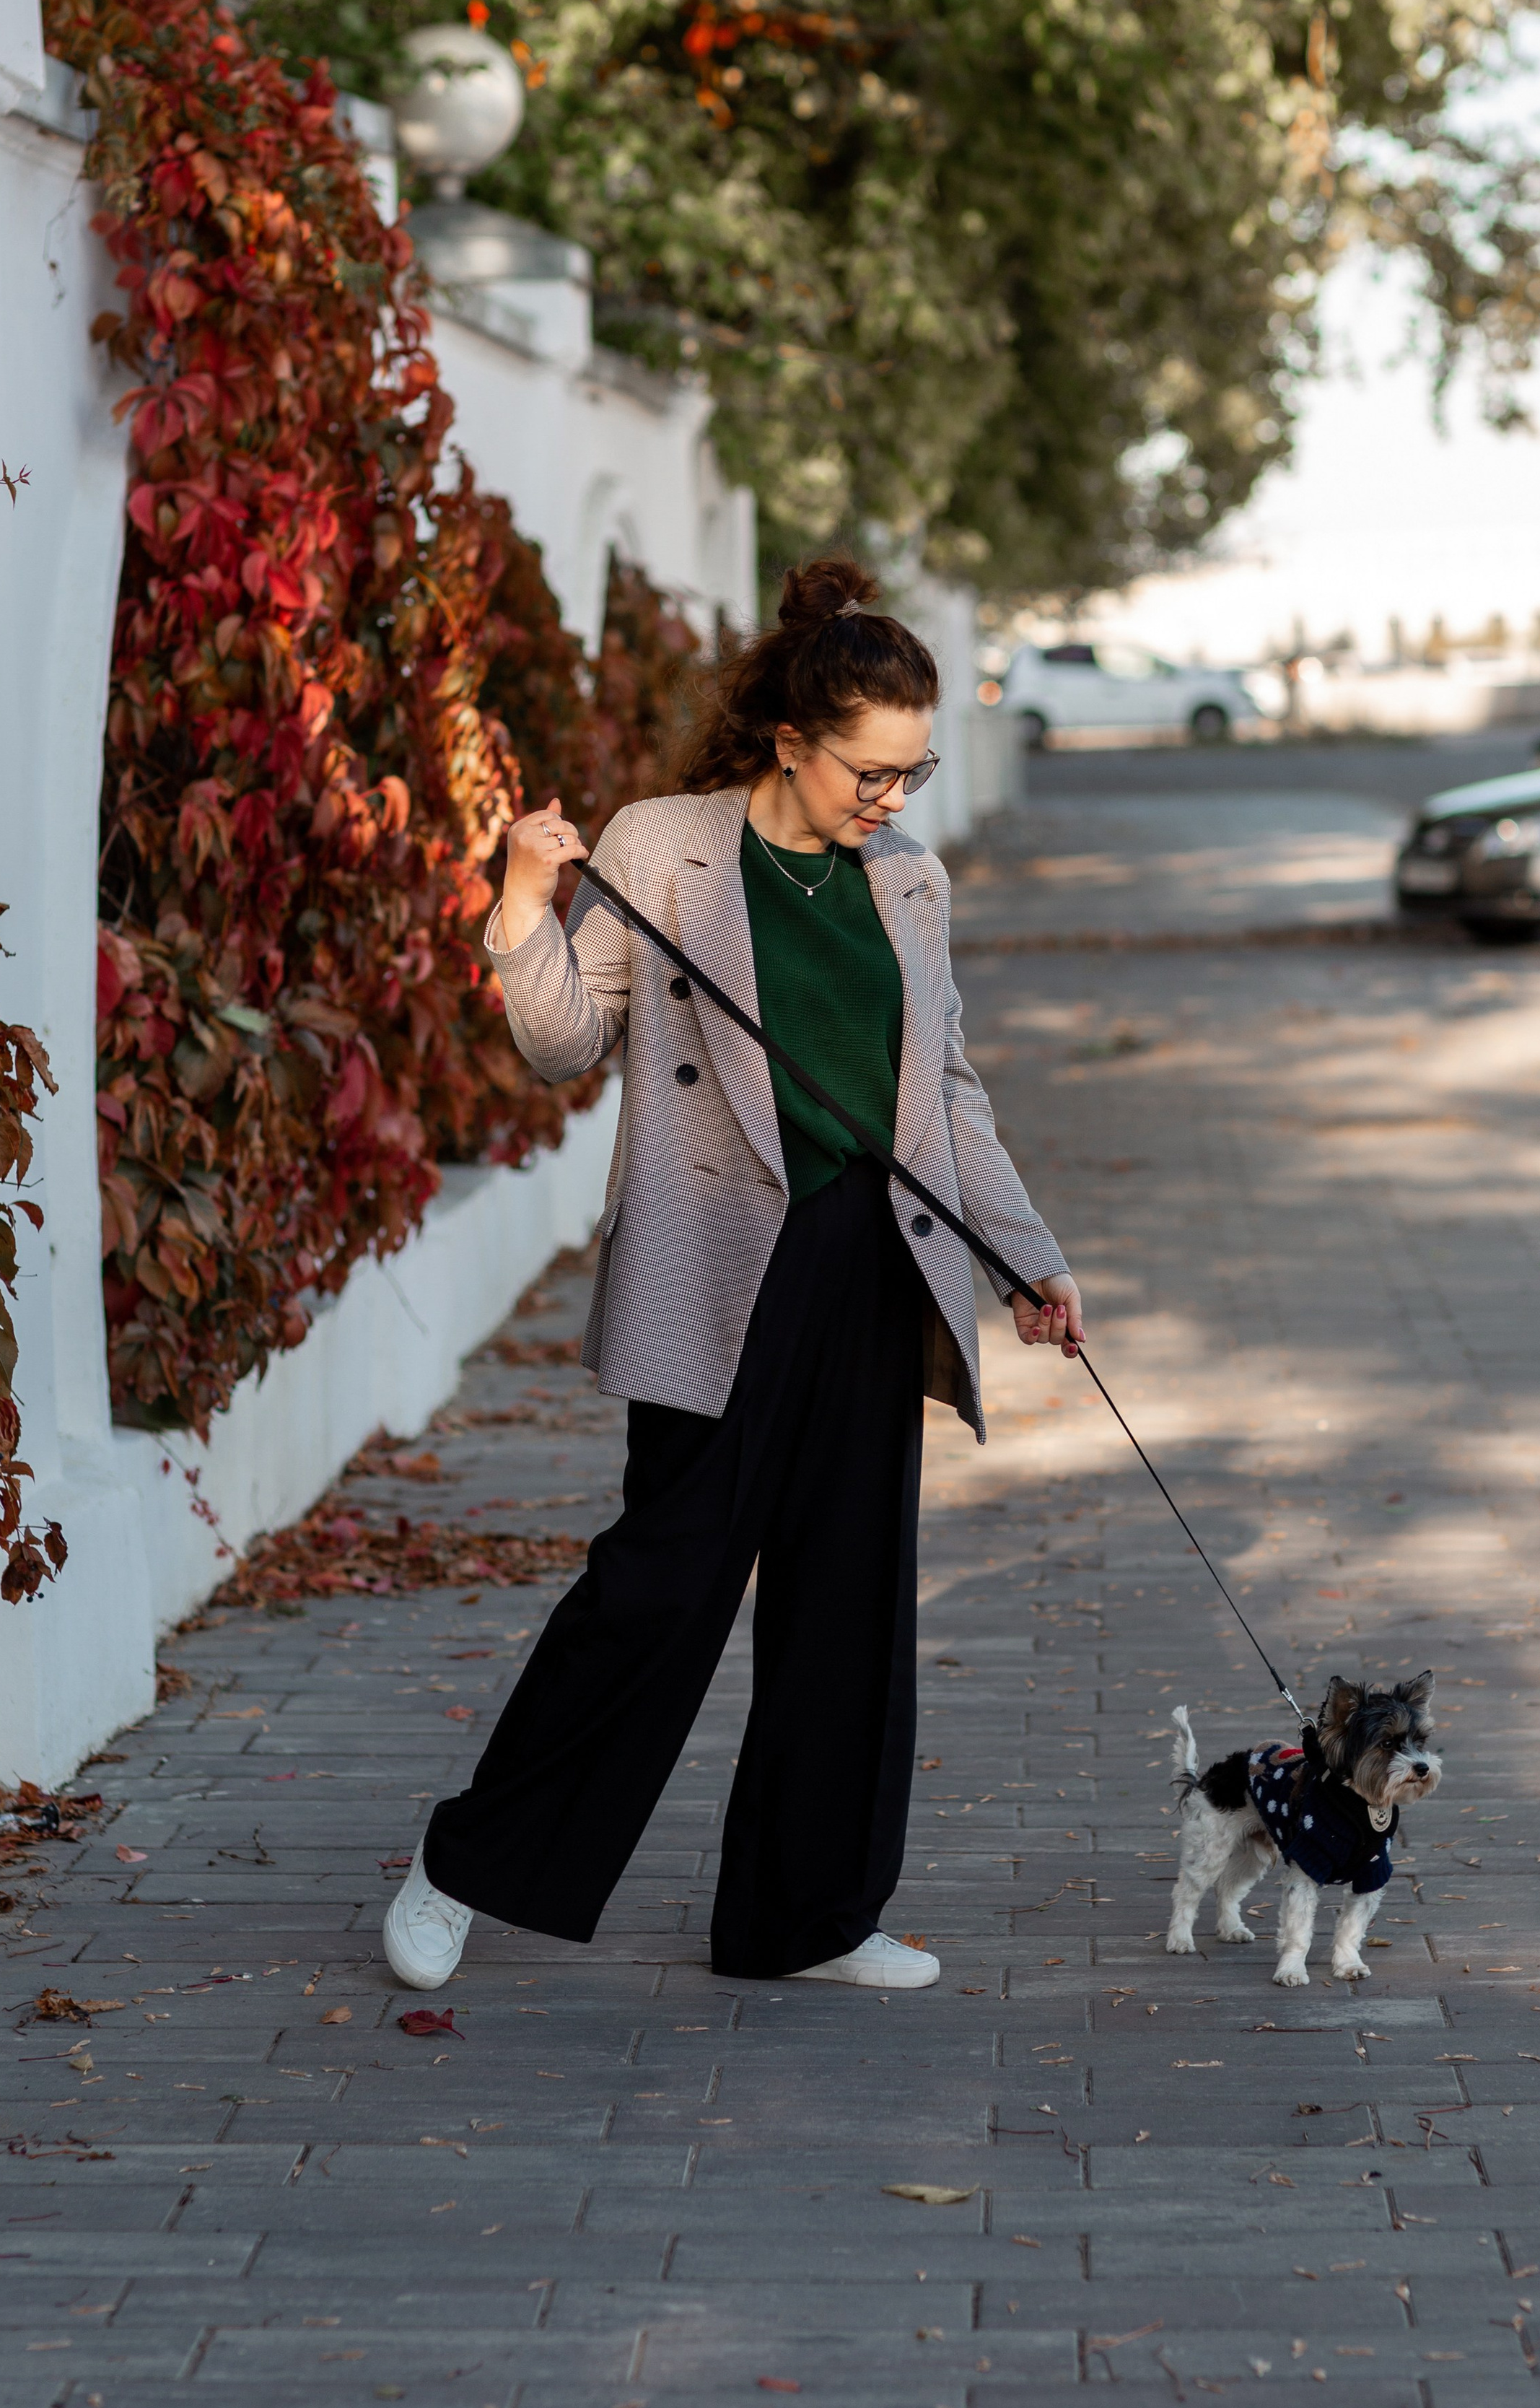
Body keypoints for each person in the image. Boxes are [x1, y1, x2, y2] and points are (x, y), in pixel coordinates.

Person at [383, 555, 1082, 1995]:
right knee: (659, 1586)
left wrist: (1027, 1259)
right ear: (790, 739)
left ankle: (803, 1917)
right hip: (715, 1264)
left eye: (912, 773)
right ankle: (465, 1864)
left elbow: (943, 1091)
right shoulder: (661, 847)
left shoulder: (909, 881)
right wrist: (518, 905)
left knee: (847, 1600)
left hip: (872, 1268)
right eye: (867, 773)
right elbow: (568, 1045)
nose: (888, 801)